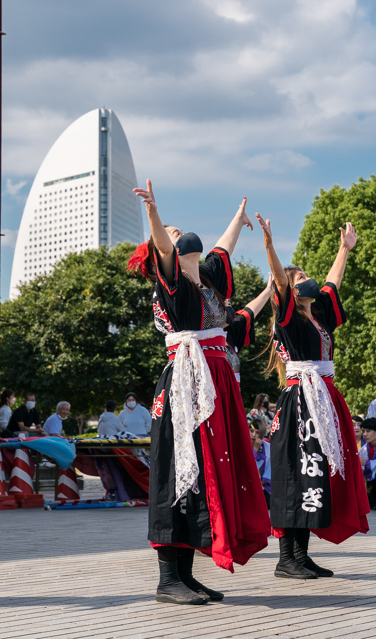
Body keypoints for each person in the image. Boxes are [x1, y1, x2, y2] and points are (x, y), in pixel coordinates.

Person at [129, 180, 270, 605]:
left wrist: (237, 219)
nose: (177, 236)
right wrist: (154, 213)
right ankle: (167, 578)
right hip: (185, 385)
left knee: (202, 473)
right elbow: (165, 246)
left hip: (212, 381)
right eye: (169, 237)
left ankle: (186, 577)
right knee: (177, 472)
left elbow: (220, 251)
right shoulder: (171, 284)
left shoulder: (206, 280)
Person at [256, 211, 369, 581]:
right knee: (295, 476)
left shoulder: (318, 317)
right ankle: (285, 558)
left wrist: (344, 249)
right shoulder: (288, 318)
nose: (308, 280)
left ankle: (301, 556)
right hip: (299, 403)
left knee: (313, 476)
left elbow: (333, 283)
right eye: (301, 277)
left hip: (320, 399)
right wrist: (271, 247)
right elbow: (279, 280)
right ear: (289, 288)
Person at [250, 420, 271, 508]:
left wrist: (261, 482)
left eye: (257, 432)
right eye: (251, 431)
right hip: (248, 486)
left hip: (264, 486)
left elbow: (272, 468)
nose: (254, 435)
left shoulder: (268, 447)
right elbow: (249, 466)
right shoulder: (242, 445)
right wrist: (254, 449)